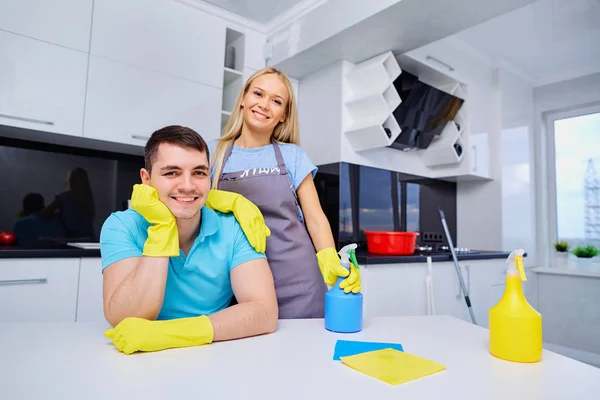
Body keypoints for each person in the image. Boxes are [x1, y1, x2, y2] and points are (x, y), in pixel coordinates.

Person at [100, 125, 277, 355]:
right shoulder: (121, 226)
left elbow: (264, 312)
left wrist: (176, 333)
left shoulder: (233, 225)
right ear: (146, 179)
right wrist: (162, 229)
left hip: (215, 352)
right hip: (142, 359)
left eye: (199, 173)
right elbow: (124, 318)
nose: (187, 186)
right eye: (171, 173)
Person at [208, 67, 361, 320]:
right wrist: (226, 199)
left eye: (276, 101)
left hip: (298, 282)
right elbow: (191, 199)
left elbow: (315, 218)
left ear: (283, 115)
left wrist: (329, 258)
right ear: (243, 99)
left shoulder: (292, 156)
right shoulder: (214, 152)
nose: (264, 105)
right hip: (234, 283)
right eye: (258, 93)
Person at [41, 167, 96, 241]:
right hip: (89, 239)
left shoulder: (64, 197)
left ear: (70, 180)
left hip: (70, 238)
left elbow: (44, 214)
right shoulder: (88, 198)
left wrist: (58, 214)